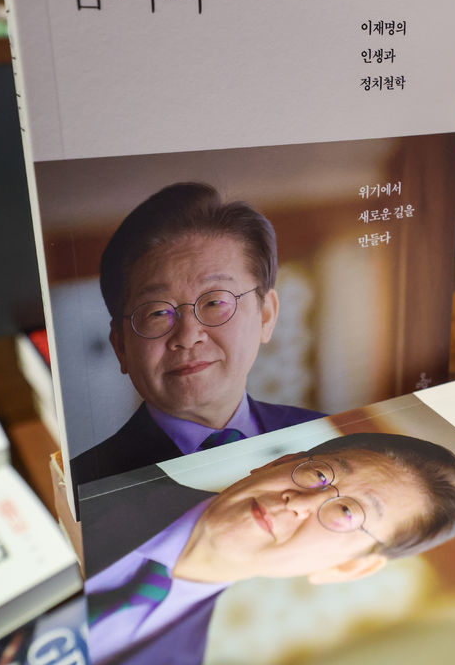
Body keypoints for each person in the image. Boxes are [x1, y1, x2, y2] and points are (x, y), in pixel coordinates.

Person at [82, 432, 455, 665]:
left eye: (347, 512)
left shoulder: (183, 656)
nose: (300, 503)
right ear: (279, 463)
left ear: (346, 568)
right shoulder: (98, 471)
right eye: (320, 475)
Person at [71, 182, 323, 487]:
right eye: (157, 312)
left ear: (266, 315)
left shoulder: (326, 439)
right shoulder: (89, 488)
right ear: (120, 345)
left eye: (214, 302)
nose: (188, 336)